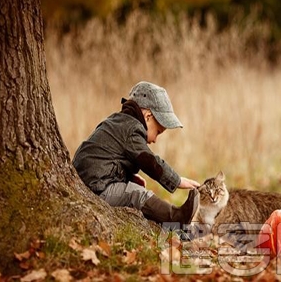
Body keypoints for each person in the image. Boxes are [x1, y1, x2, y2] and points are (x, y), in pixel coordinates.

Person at [73, 81, 200, 224]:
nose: (155, 140)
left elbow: (108, 158)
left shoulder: (118, 122)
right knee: (136, 194)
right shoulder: (132, 129)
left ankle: (164, 223)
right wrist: (177, 180)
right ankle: (177, 217)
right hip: (96, 190)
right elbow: (149, 161)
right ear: (147, 117)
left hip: (90, 183)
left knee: (133, 188)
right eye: (158, 132)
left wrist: (128, 177)